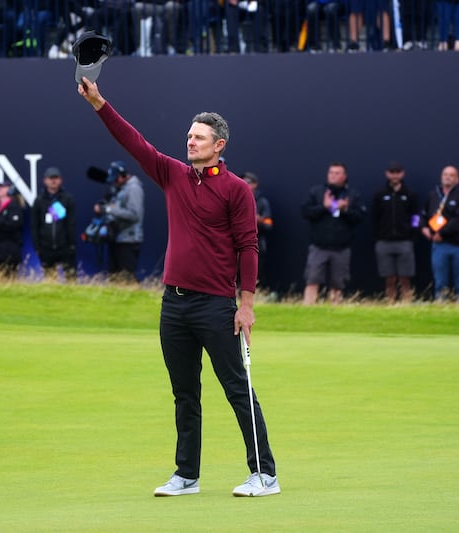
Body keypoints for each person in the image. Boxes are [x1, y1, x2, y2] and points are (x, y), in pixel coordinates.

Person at [79, 77, 279, 497]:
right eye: (189, 135)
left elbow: (248, 246)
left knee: (237, 389)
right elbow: (134, 143)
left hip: (216, 307)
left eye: (200, 137)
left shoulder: (237, 190)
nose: (191, 142)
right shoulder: (172, 175)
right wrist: (99, 102)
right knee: (184, 394)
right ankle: (186, 475)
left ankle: (265, 475)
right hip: (174, 305)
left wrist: (246, 304)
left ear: (219, 144)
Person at [301, 162, 365, 305]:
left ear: (344, 176)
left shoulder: (351, 194)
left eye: (337, 173)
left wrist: (345, 210)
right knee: (312, 280)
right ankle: (307, 308)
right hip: (319, 246)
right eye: (331, 173)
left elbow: (359, 217)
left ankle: (334, 310)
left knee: (337, 284)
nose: (333, 176)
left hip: (341, 248)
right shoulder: (317, 192)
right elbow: (305, 212)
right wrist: (324, 207)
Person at [371, 161, 420, 303]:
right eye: (392, 172)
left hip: (404, 241)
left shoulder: (410, 194)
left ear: (402, 174)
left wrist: (413, 236)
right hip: (384, 242)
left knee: (405, 277)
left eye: (397, 172)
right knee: (389, 278)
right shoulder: (380, 195)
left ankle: (407, 304)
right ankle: (390, 303)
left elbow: (415, 217)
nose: (395, 176)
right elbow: (375, 218)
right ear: (387, 174)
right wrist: (377, 238)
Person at [420, 165, 459, 301]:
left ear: (457, 179)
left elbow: (458, 220)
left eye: (451, 175)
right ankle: (441, 307)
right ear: (441, 177)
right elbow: (422, 215)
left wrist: (441, 233)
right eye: (445, 174)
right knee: (440, 282)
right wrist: (423, 228)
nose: (447, 177)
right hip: (439, 246)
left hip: (458, 245)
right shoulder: (433, 195)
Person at [93, 160, 144, 282]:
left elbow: (134, 215)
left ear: (123, 175)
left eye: (116, 179)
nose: (114, 182)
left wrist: (110, 209)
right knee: (114, 277)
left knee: (127, 278)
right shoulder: (121, 188)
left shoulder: (134, 189)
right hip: (117, 238)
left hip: (128, 240)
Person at [31, 166, 77, 280]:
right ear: (45, 181)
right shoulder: (39, 200)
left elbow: (71, 223)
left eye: (56, 178)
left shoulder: (67, 199)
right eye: (50, 178)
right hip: (46, 248)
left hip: (64, 247)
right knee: (50, 280)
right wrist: (37, 246)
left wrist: (72, 245)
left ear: (61, 180)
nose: (53, 181)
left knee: (71, 278)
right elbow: (35, 225)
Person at [0, 181, 26, 277]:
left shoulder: (14, 207)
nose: (0, 188)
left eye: (3, 187)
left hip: (9, 252)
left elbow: (11, 226)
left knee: (8, 280)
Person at [242, 172, 273, 291]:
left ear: (255, 185)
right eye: (242, 180)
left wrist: (258, 220)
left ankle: (257, 297)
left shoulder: (261, 202)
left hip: (256, 244)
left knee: (255, 274)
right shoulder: (233, 197)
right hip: (235, 245)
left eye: (248, 182)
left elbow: (268, 224)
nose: (244, 184)